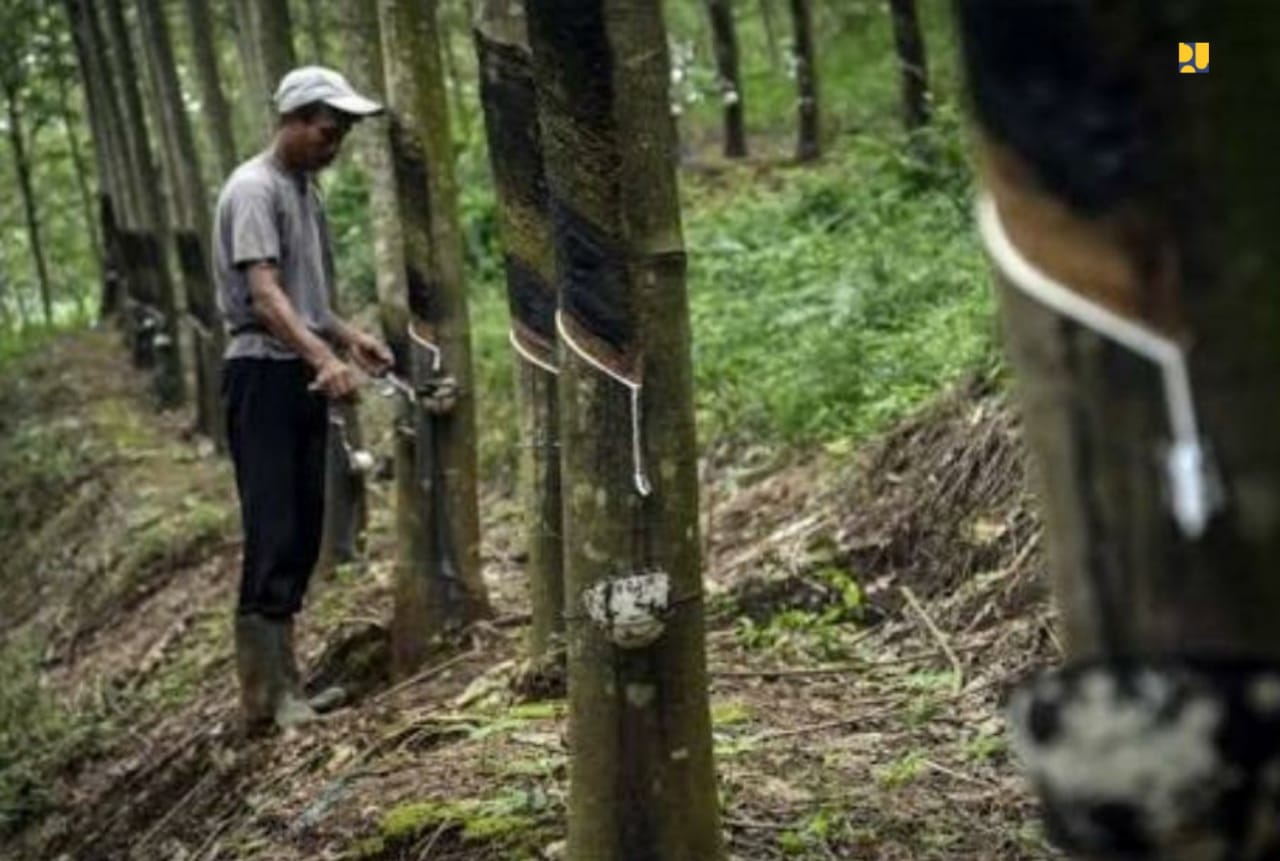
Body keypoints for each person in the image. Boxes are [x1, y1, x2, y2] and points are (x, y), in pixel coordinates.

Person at [213, 66, 393, 733]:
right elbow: (264, 296)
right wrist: (322, 357)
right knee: (274, 524)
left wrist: (349, 340)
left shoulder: (305, 192)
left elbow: (306, 302)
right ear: (293, 118)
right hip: (263, 375)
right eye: (327, 127)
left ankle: (288, 684)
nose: (335, 140)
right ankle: (264, 696)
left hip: (301, 373)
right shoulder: (253, 189)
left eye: (343, 130)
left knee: (303, 527)